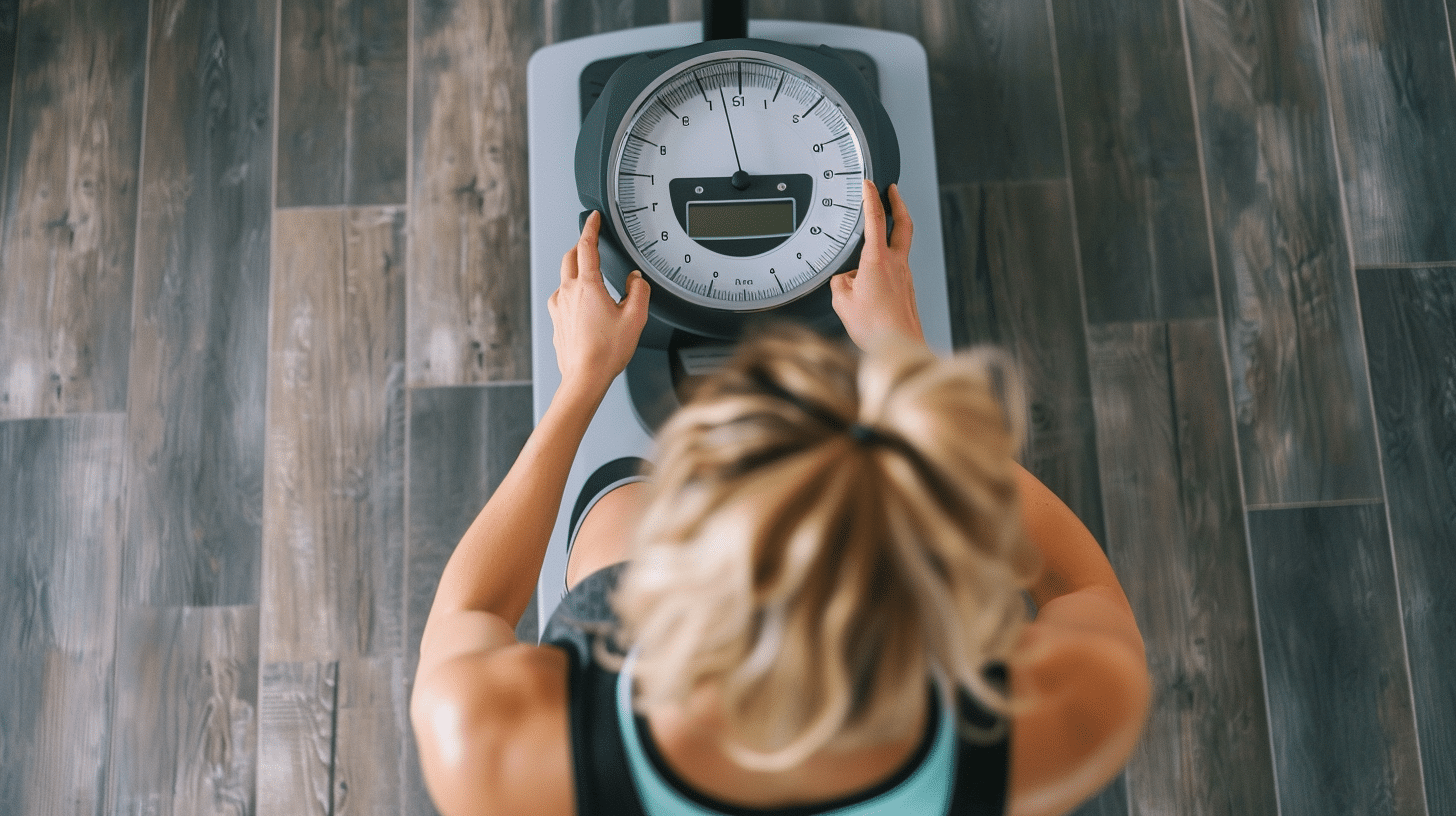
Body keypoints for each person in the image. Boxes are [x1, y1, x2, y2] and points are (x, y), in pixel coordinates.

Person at [411, 181, 1150, 816]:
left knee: (618, 509)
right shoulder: (1069, 717)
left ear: (687, 557)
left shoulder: (484, 738)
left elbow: (473, 612)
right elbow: (1083, 591)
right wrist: (906, 365)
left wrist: (580, 383)